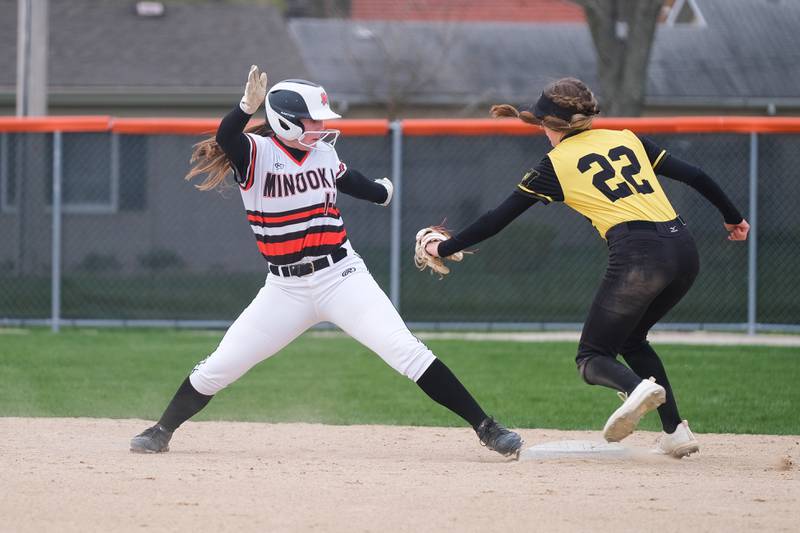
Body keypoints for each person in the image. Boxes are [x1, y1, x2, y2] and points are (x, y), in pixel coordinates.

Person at [129, 66, 522, 458]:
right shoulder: (255, 154)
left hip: (342, 276)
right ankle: (162, 430)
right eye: (311, 120)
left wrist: (380, 192)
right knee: (222, 365)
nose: (320, 126)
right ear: (284, 122)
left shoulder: (323, 150)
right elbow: (227, 136)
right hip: (285, 289)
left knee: (406, 351)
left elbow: (347, 179)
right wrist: (246, 107)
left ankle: (487, 427)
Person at [421, 78, 750, 458]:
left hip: (639, 256)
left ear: (552, 125)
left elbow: (497, 219)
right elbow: (696, 175)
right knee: (631, 340)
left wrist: (443, 246)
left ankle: (636, 387)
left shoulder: (555, 164)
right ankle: (675, 431)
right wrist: (733, 218)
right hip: (683, 251)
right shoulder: (626, 138)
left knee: (592, 356)